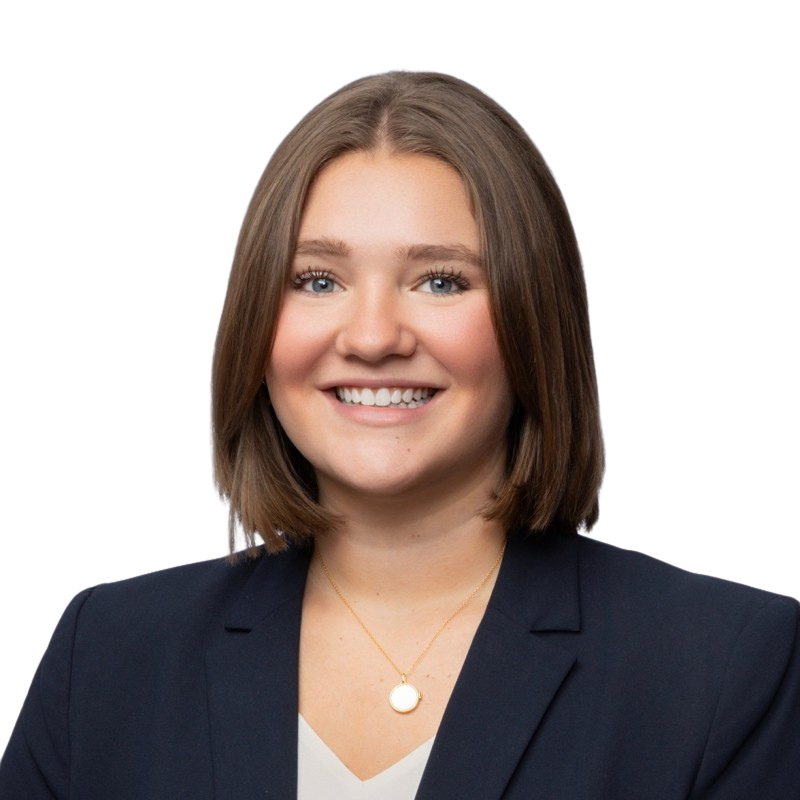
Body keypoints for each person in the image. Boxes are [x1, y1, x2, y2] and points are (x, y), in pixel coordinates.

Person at [1, 71, 798, 799]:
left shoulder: (728, 666)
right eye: (318, 279)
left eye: (440, 280)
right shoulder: (107, 655)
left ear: (532, 317)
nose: (374, 335)